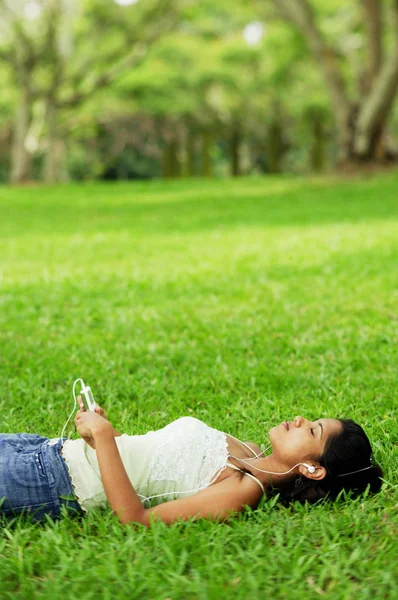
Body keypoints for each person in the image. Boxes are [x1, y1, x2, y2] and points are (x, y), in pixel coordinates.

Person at [0, 397, 383, 525]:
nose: (300, 420)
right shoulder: (245, 447)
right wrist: (101, 436)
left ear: (312, 469)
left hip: (51, 484)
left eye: (313, 430)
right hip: (48, 448)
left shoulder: (242, 491)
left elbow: (136, 520)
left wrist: (103, 439)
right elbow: (151, 459)